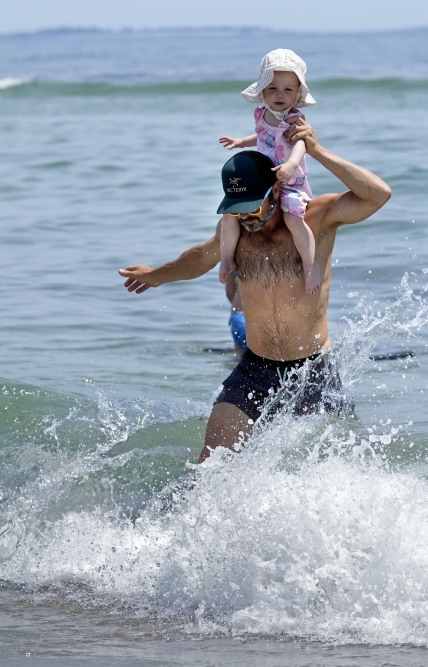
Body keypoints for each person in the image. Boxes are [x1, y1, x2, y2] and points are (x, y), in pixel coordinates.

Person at [119, 116, 391, 463]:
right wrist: (156, 275)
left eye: (253, 207)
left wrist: (317, 150)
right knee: (212, 463)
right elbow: (197, 259)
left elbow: (378, 195)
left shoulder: (314, 218)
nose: (246, 218)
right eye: (237, 210)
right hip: (256, 367)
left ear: (275, 190)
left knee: (342, 465)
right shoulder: (235, 230)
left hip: (314, 368)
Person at [218, 49, 321, 296]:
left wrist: (291, 164)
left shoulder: (294, 119)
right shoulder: (262, 115)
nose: (280, 95)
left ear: (297, 94)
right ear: (263, 91)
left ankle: (310, 265)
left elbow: (300, 144)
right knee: (231, 215)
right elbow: (264, 137)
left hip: (288, 179)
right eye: (273, 88)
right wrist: (242, 141)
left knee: (293, 218)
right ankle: (225, 258)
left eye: (288, 90)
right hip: (263, 177)